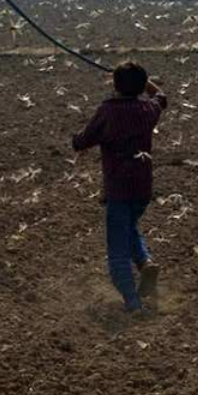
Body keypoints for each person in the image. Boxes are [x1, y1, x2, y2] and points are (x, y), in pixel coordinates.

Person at [73, 61, 167, 312]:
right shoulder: (148, 109)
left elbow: (83, 141)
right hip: (143, 186)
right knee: (129, 227)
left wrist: (76, 140)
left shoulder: (108, 110)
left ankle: (132, 302)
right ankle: (145, 263)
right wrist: (145, 80)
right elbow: (161, 97)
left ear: (115, 85)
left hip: (118, 187)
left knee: (117, 247)